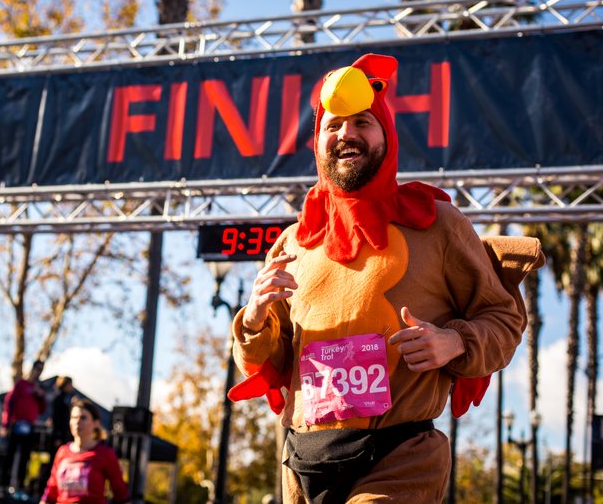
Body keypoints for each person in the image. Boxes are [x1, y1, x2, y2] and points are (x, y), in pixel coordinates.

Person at [228, 54, 544, 503]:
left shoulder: (437, 224)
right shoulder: (292, 242)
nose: (346, 135)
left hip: (399, 456)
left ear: (387, 135)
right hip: (302, 462)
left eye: (363, 123)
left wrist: (454, 342)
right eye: (333, 126)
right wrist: (254, 321)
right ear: (316, 142)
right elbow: (273, 360)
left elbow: (504, 319)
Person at [40, 397, 129, 504]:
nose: (77, 422)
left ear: (96, 423)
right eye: (74, 417)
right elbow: (51, 492)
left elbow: (121, 493)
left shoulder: (105, 454)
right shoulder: (62, 452)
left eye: (83, 418)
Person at [1, 359, 47, 489]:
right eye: (37, 369)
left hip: (29, 426)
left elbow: (42, 410)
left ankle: (20, 486)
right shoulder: (21, 384)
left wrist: (41, 396)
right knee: (10, 454)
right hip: (16, 425)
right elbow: (9, 403)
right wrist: (6, 424)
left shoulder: (39, 389)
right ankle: (4, 484)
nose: (38, 372)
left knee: (25, 457)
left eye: (41, 370)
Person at [51, 376, 76, 459]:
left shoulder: (69, 398)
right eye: (70, 384)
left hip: (66, 435)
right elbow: (56, 419)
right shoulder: (58, 398)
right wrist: (57, 436)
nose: (72, 387)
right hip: (59, 436)